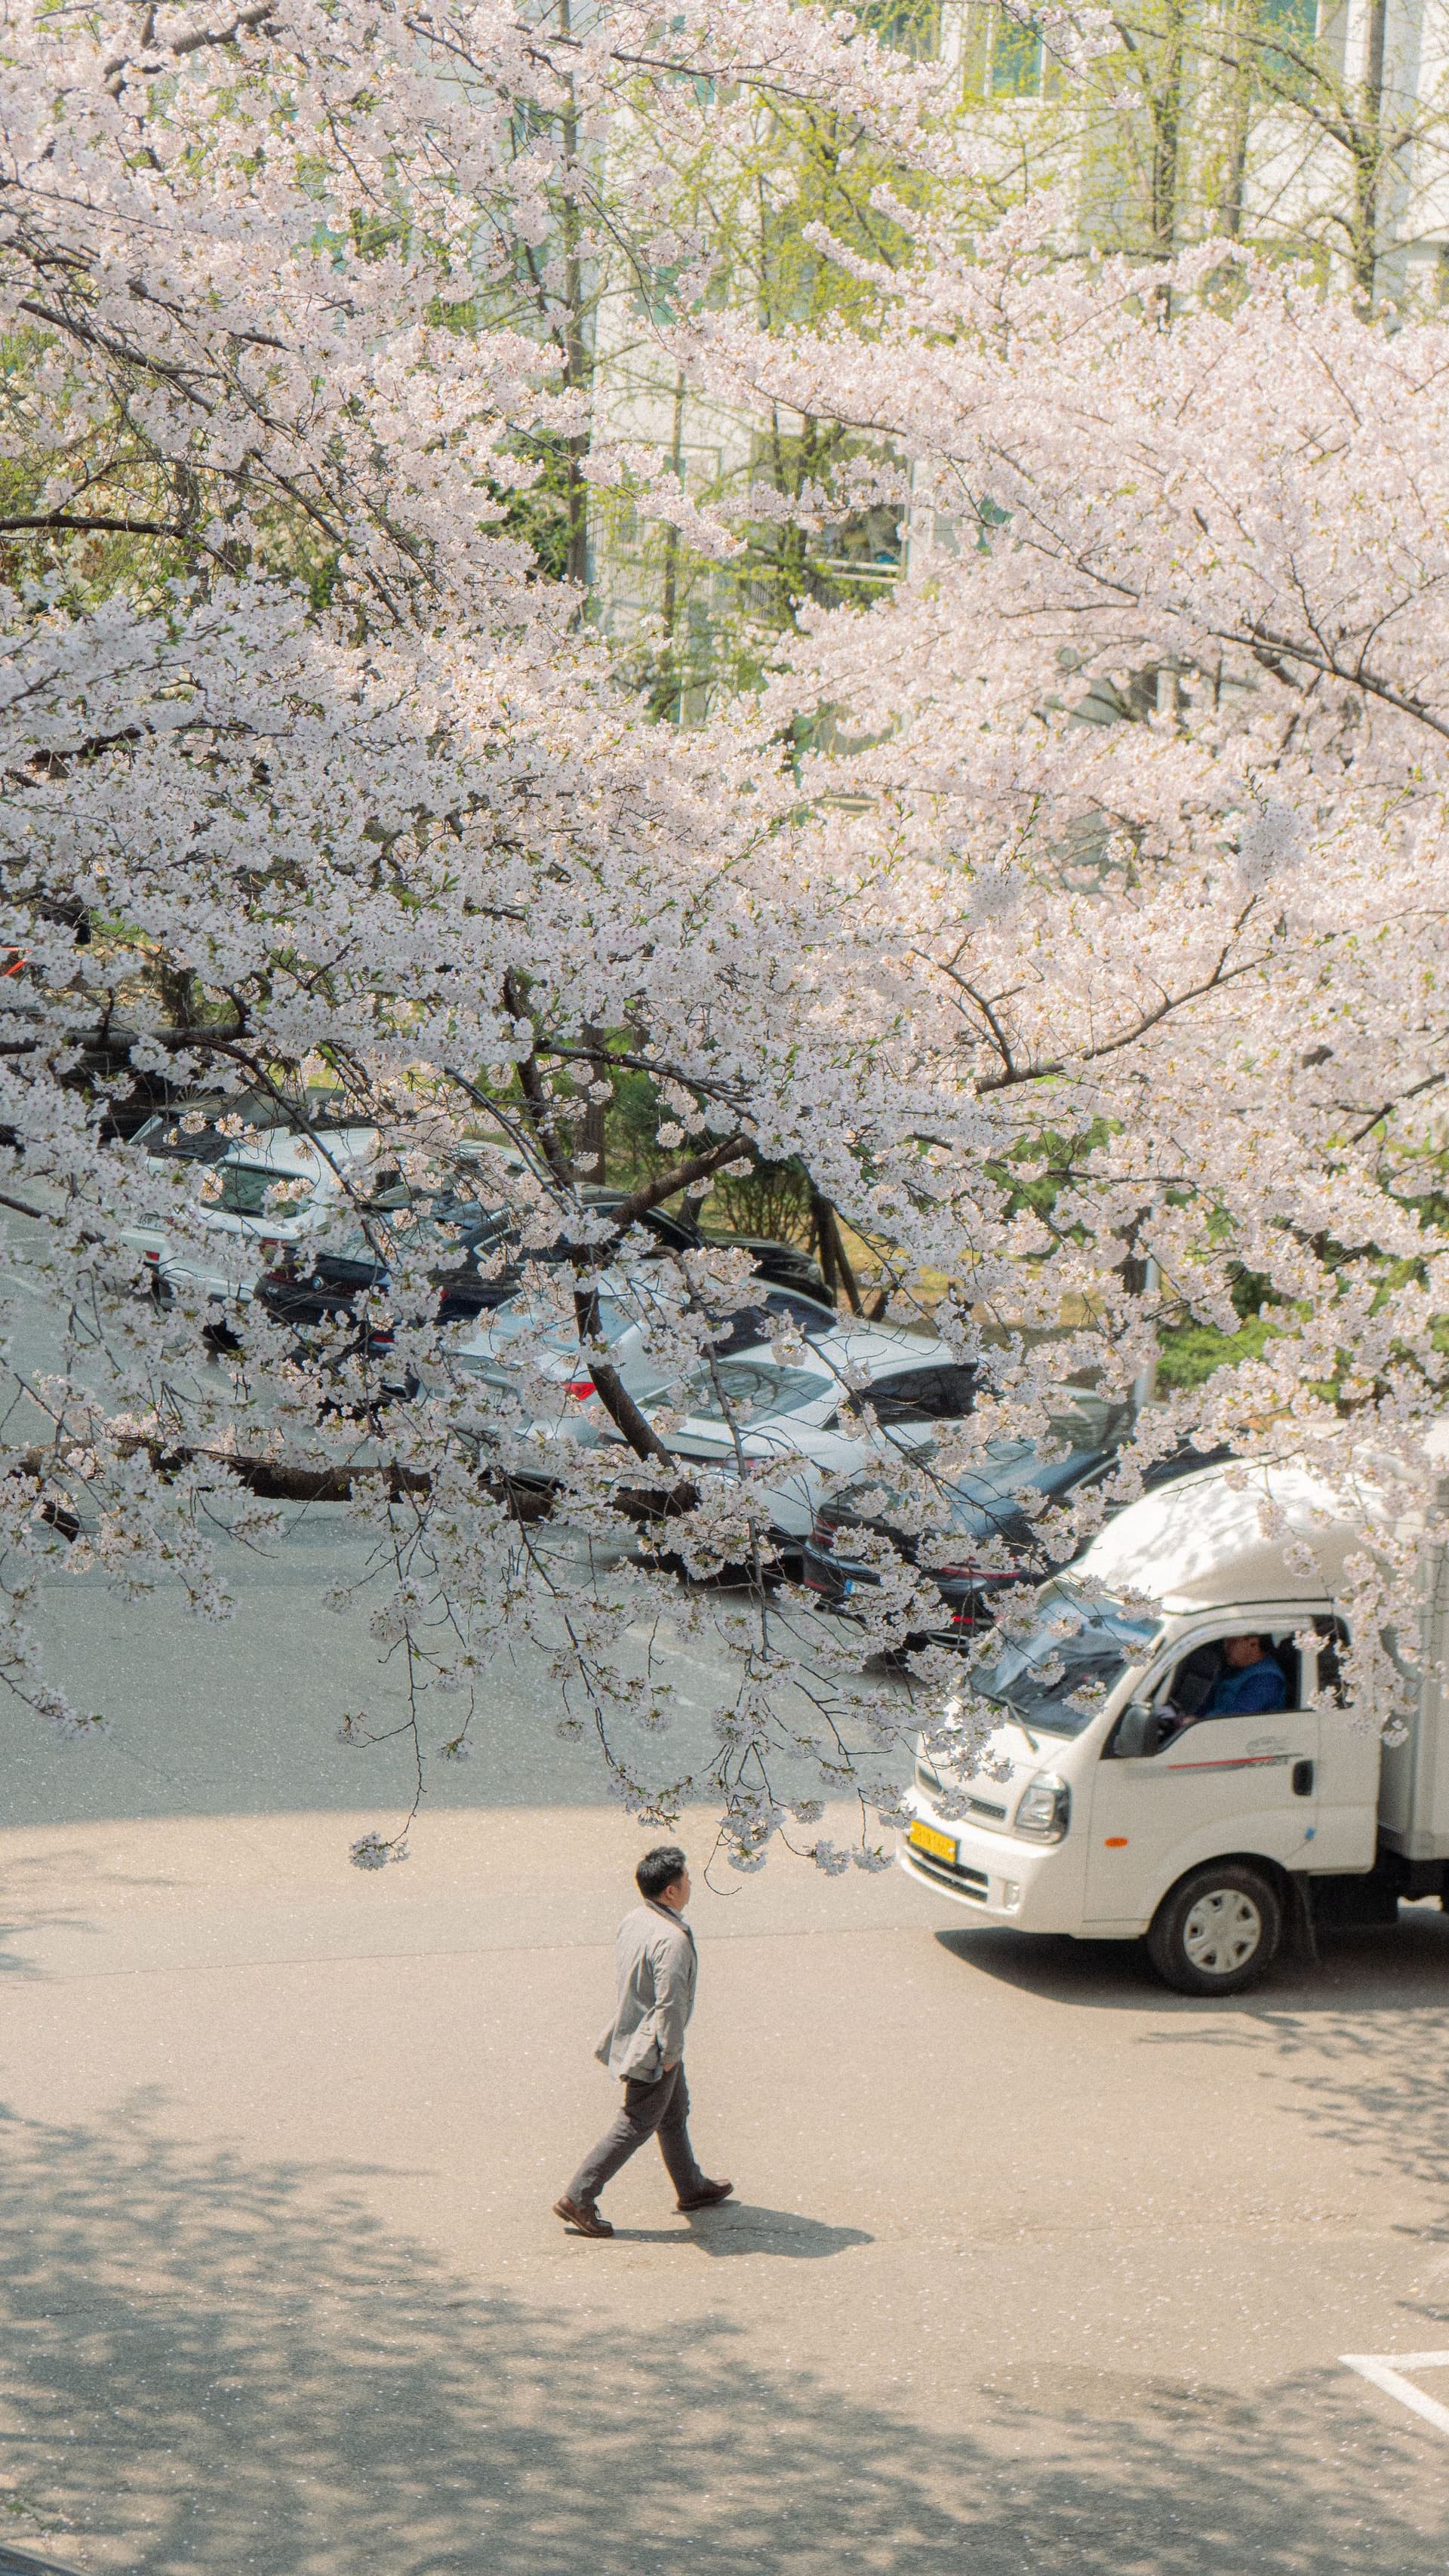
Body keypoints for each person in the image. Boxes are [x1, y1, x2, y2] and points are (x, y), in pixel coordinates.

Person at [553, 1845, 733, 2240]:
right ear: (671, 1891)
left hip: (637, 2030)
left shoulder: (636, 1918)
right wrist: (670, 2054)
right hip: (654, 2044)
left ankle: (691, 2187)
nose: (690, 1884)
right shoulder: (673, 1940)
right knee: (637, 2121)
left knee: (674, 2110)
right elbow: (669, 2003)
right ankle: (578, 2197)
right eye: (686, 1879)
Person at [1201, 1634, 1287, 1718]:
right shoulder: (1232, 1668)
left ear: (1253, 1643)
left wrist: (1199, 1721)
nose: (1226, 1647)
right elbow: (1209, 1703)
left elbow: (1236, 1719)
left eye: (1232, 1642)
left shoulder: (1267, 1680)